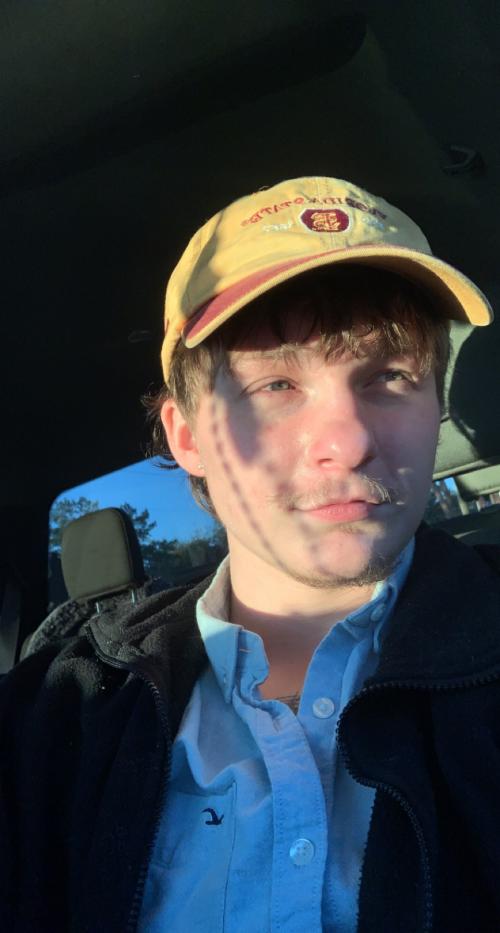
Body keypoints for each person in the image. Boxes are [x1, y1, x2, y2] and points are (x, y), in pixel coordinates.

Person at [1, 177, 499, 933]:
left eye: (390, 377)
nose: (349, 441)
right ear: (189, 437)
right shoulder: (59, 714)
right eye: (276, 384)